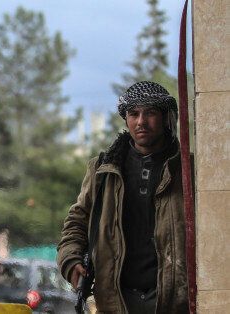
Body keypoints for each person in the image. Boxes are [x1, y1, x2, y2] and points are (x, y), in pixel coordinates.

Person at [57, 81, 188, 313]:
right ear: (125, 119)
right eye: (134, 114)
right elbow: (77, 222)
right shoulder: (103, 170)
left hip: (173, 300)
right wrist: (71, 260)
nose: (141, 121)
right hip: (117, 300)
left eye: (150, 113)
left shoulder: (186, 169)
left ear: (166, 117)